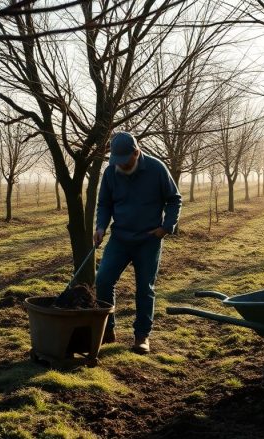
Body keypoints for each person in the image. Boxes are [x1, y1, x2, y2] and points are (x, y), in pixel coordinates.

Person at [93, 131, 182, 354]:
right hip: (120, 238)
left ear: (136, 152)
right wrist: (101, 226)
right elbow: (104, 203)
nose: (120, 166)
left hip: (148, 240)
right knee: (103, 280)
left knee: (145, 288)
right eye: (116, 161)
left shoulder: (156, 169)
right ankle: (107, 329)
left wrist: (166, 228)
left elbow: (174, 199)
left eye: (124, 161)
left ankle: (142, 336)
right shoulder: (111, 172)